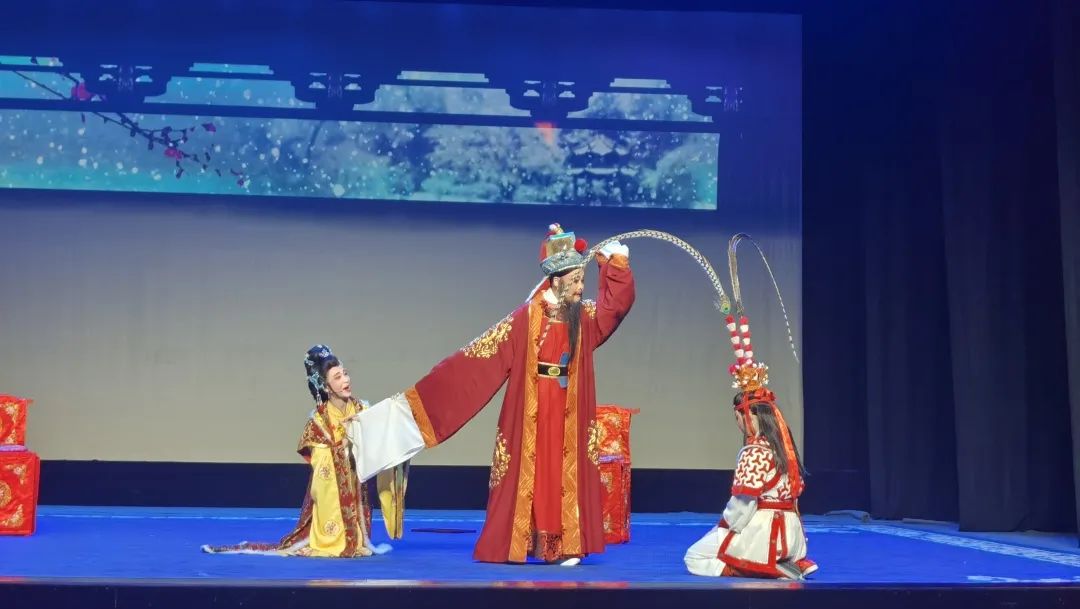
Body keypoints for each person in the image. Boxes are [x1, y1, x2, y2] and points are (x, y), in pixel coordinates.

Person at [348, 223, 634, 565]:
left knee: (562, 474)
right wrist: (423, 405)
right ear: (557, 280)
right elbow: (476, 361)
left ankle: (564, 546)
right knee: (538, 475)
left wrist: (617, 265)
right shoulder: (526, 318)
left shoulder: (582, 317)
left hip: (568, 409)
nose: (581, 288)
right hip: (534, 410)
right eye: (575, 281)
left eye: (582, 281)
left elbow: (613, 309)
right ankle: (528, 543)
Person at [202, 345, 406, 557]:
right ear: (326, 387)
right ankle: (333, 539)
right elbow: (321, 465)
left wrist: (389, 414)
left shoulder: (362, 410)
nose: (346, 380)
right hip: (332, 493)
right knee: (325, 483)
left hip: (357, 487)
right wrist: (346, 443)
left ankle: (356, 537)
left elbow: (381, 440)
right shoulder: (318, 423)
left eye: (345, 374)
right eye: (337, 377)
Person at [682, 315, 817, 579]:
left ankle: (756, 568)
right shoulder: (783, 447)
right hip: (792, 533)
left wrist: (724, 526)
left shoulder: (755, 451)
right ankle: (790, 560)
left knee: (694, 557)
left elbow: (742, 505)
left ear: (746, 416)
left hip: (765, 534)